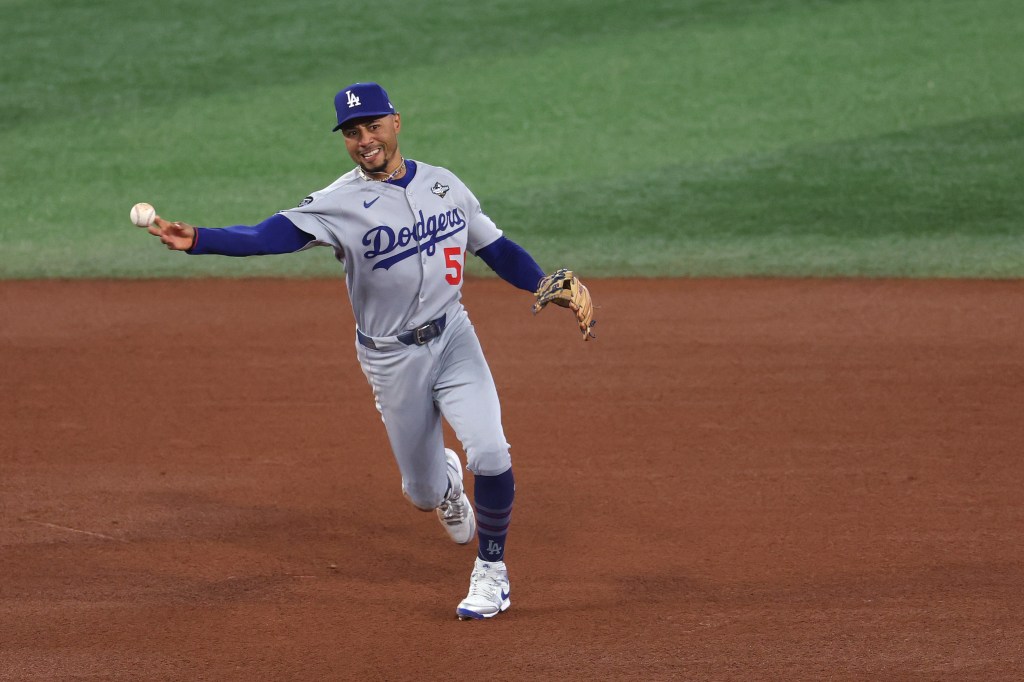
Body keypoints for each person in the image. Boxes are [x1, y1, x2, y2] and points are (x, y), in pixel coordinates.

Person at [134, 81, 595, 620]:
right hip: (390, 358)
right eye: (352, 133)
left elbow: (494, 246)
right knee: (422, 493)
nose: (364, 140)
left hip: (453, 337)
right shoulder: (339, 203)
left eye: (373, 126)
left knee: (491, 451)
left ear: (396, 123)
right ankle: (444, 484)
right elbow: (268, 236)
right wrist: (202, 239)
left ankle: (491, 572)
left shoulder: (445, 185)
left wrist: (542, 282)